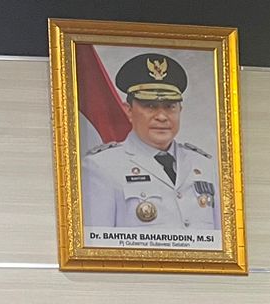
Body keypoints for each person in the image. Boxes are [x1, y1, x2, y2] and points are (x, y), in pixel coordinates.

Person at [81, 52, 221, 235]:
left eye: (170, 106)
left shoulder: (205, 166)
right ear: (128, 110)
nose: (161, 116)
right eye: (150, 106)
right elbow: (97, 243)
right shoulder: (101, 167)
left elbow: (223, 240)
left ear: (180, 110)